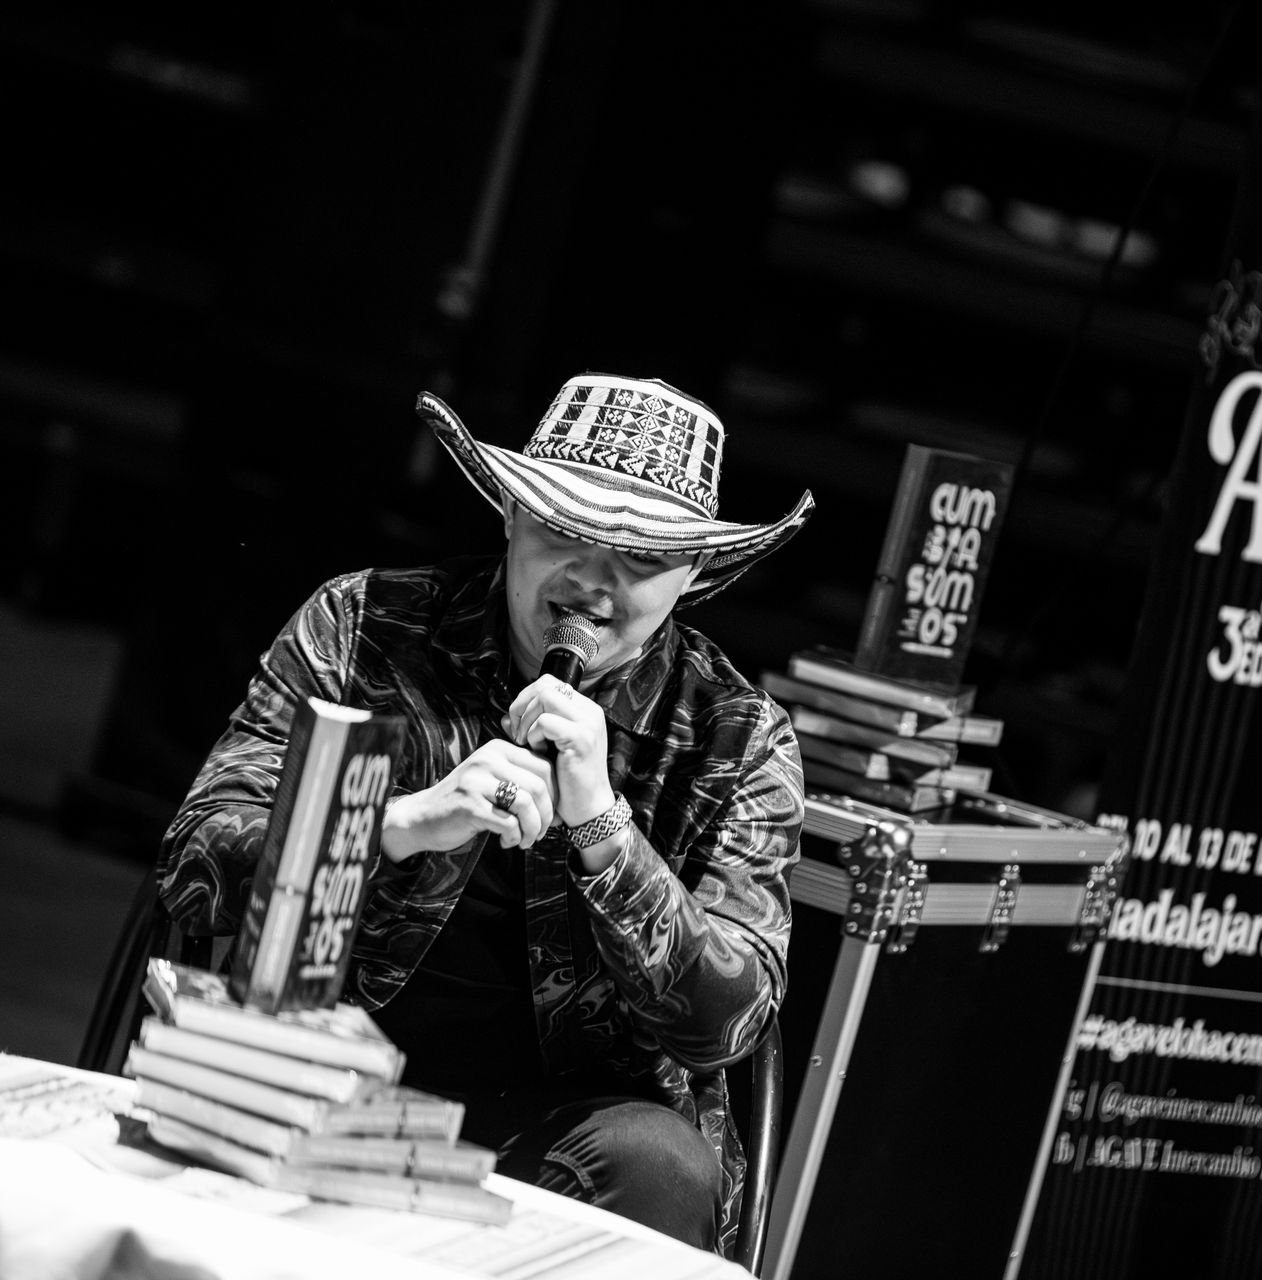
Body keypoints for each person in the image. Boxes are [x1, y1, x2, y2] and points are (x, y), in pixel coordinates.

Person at [157, 372, 814, 1255]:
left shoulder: (738, 737)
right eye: (562, 531)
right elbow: (194, 869)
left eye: (644, 557)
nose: (593, 581)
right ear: (510, 515)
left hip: (561, 1134)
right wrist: (392, 821)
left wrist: (603, 829)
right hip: (319, 1069)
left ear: (696, 573)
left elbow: (727, 1023)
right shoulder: (361, 625)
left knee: (660, 1167)